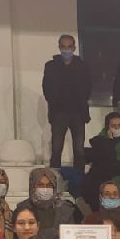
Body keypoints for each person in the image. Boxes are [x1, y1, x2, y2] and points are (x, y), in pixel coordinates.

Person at [42, 34, 91, 168]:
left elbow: (88, 86)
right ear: (59, 47)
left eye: (69, 47)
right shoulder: (51, 66)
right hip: (59, 112)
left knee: (79, 149)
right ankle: (55, 176)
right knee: (56, 148)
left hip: (78, 112)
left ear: (74, 48)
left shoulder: (82, 66)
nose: (66, 50)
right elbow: (46, 86)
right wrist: (52, 100)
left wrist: (83, 100)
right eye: (63, 47)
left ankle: (79, 178)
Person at [21, 167, 76, 239]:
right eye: (40, 185)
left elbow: (70, 236)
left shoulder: (65, 209)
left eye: (49, 185)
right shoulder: (23, 209)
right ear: (32, 186)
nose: (45, 189)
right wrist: (55, 232)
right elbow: (26, 236)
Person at [84, 111, 120, 207]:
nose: (117, 128)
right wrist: (110, 142)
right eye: (113, 125)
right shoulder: (99, 142)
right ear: (108, 126)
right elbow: (105, 161)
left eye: (119, 125)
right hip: (102, 180)